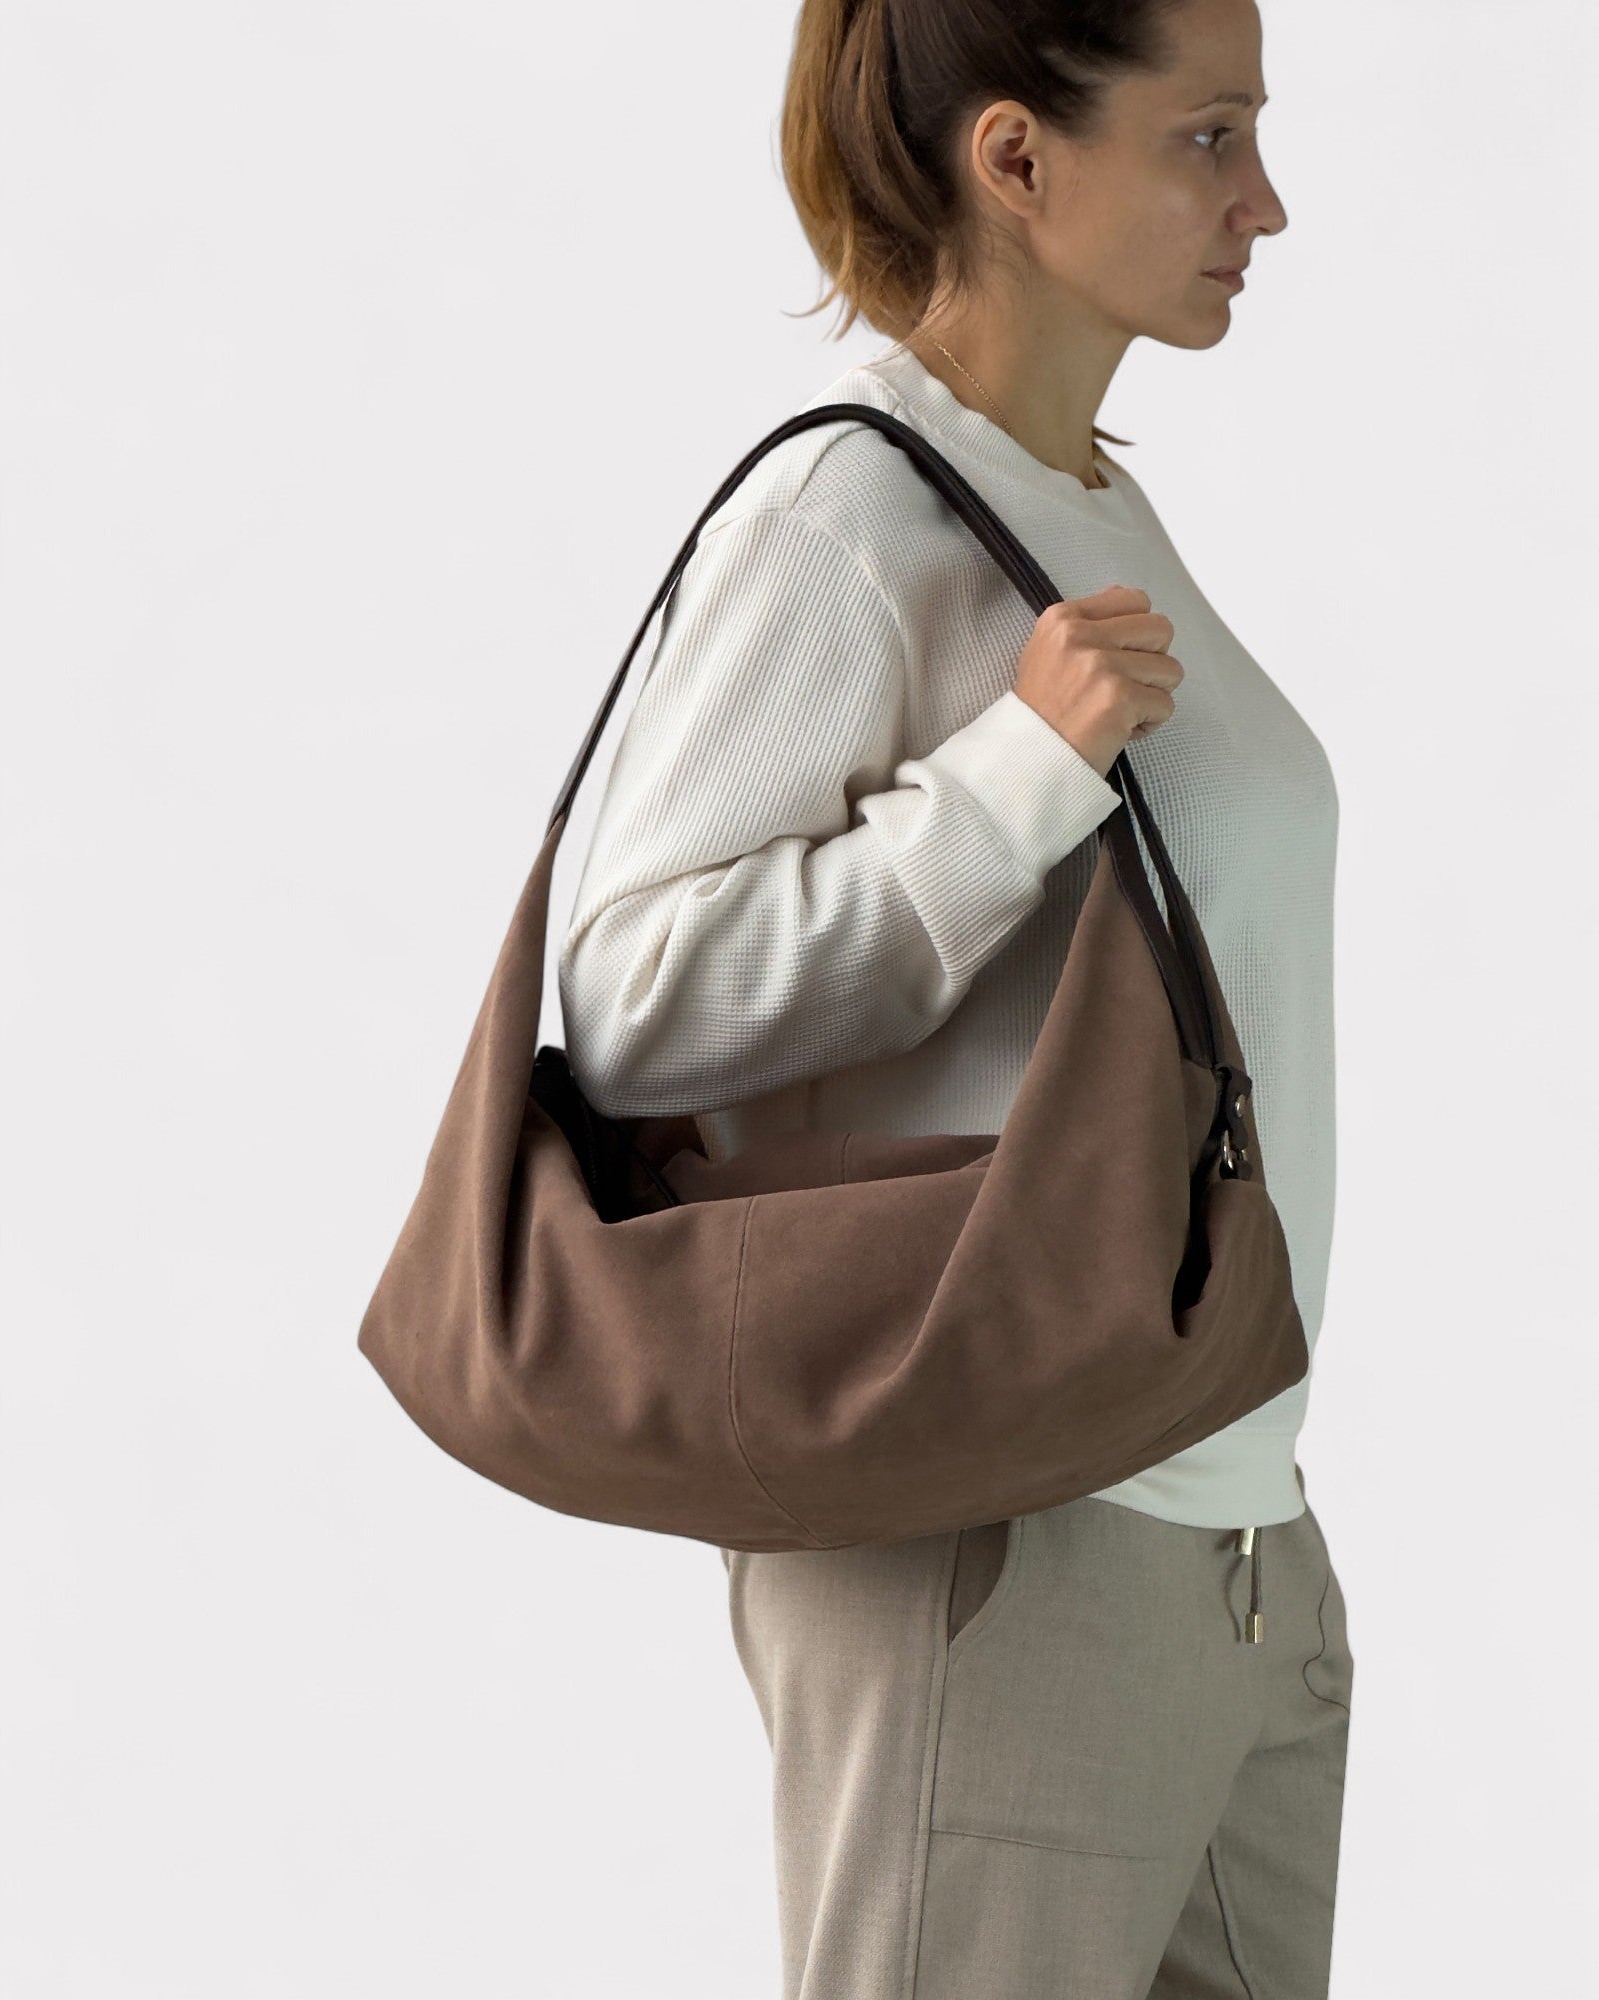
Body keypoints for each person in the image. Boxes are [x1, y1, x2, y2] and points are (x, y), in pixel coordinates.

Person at [558, 0, 1354, 1991]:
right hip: (997, 1549)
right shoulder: (851, 516)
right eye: (1207, 138)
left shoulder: (1075, 496)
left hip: (1222, 1544)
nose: (1263, 201)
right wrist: (1007, 780)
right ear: (1014, 160)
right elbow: (634, 996)